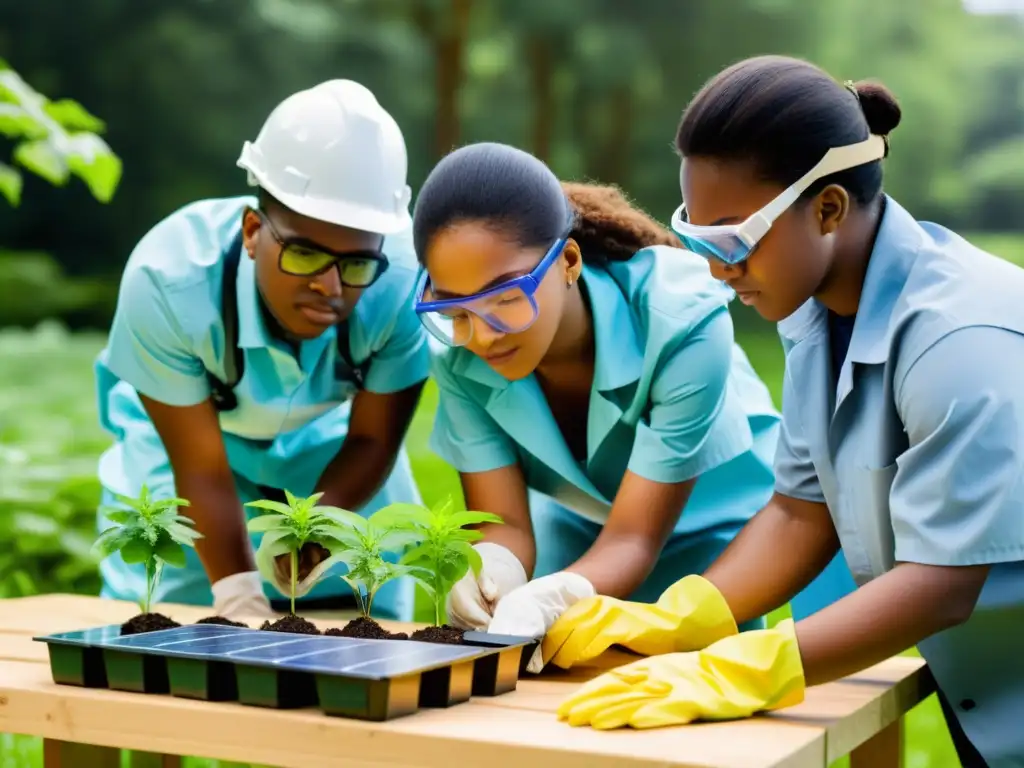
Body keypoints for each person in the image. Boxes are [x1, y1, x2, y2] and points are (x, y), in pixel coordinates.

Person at [550, 55, 1024, 768]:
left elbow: (940, 584)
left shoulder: (958, 342)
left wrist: (744, 669)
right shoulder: (817, 312)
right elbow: (803, 510)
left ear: (828, 208)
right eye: (697, 238)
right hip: (989, 692)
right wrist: (685, 617)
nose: (716, 269)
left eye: (733, 241)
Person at [411, 141, 854, 672]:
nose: (481, 336)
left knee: (689, 689)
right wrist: (494, 564)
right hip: (584, 519)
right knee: (552, 691)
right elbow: (504, 519)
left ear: (568, 261)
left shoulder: (681, 317)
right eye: (455, 309)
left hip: (716, 516)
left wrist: (558, 594)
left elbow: (635, 538)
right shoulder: (457, 355)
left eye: (505, 299)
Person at [93, 79, 429, 622]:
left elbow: (372, 437)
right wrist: (237, 594)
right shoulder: (169, 281)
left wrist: (315, 532)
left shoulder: (403, 284)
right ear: (253, 231)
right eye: (304, 255)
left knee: (364, 618)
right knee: (173, 621)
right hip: (188, 445)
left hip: (334, 448)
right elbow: (199, 470)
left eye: (355, 264)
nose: (331, 287)